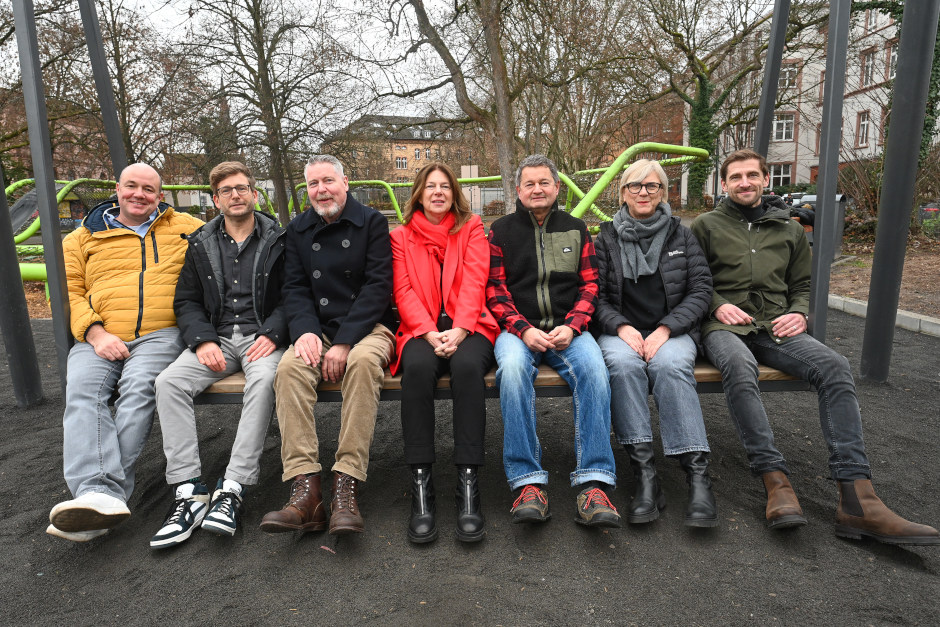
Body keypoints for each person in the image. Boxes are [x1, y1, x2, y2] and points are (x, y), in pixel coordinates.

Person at [691, 149, 939, 545]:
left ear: (765, 180)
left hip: (775, 325)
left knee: (834, 366)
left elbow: (802, 285)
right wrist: (718, 305)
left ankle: (857, 497)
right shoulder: (705, 226)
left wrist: (798, 312)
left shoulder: (789, 230)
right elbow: (694, 282)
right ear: (724, 184)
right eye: (735, 177)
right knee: (739, 366)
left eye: (752, 175)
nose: (744, 182)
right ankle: (775, 481)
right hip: (723, 327)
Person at [47, 163, 203, 542]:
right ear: (117, 190)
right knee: (83, 391)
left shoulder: (186, 228)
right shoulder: (82, 238)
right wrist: (95, 333)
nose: (139, 195)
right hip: (98, 333)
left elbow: (236, 233)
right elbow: (67, 292)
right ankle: (100, 495)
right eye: (131, 186)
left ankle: (100, 496)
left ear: (160, 196)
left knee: (139, 388)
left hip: (161, 333)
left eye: (148, 189)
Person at [149, 161, 287, 548]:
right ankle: (189, 490)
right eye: (226, 191)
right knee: (168, 382)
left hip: (263, 338)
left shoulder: (279, 239)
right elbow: (187, 301)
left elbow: (293, 295)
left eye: (242, 188)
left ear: (255, 194)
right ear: (216, 200)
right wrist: (203, 340)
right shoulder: (200, 243)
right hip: (218, 340)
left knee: (265, 380)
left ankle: (233, 487)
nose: (235, 195)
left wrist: (274, 333)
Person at [259, 155, 395, 536]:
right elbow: (295, 287)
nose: (321, 190)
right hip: (317, 326)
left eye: (328, 181)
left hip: (368, 326)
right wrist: (304, 331)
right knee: (289, 369)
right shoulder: (298, 229)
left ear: (345, 182)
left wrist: (345, 341)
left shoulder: (372, 222)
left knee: (364, 365)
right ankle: (307, 490)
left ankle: (346, 482)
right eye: (313, 184)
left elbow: (377, 287)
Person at [486, 154, 621, 528]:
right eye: (529, 183)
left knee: (595, 371)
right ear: (518, 190)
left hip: (568, 330)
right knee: (512, 370)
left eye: (544, 182)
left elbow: (590, 285)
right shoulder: (500, 231)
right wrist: (523, 329)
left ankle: (594, 483)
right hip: (518, 331)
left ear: (557, 187)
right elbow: (495, 289)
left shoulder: (576, 229)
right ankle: (527, 483)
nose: (537, 189)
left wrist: (573, 326)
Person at [593, 159, 717, 528]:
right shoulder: (606, 238)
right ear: (623, 192)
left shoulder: (682, 235)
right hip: (622, 331)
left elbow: (701, 290)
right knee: (622, 365)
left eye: (652, 186)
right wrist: (620, 326)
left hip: (672, 330)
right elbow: (594, 295)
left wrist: (666, 328)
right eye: (635, 185)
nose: (643, 192)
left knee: (671, 365)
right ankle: (645, 475)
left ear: (663, 192)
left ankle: (698, 477)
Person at [390, 163, 498, 544]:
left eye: (445, 187)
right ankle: (422, 484)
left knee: (467, 369)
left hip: (470, 326)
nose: (438, 192)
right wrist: (428, 331)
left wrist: (462, 328)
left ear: (454, 194)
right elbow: (403, 290)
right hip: (422, 329)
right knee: (418, 370)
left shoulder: (471, 228)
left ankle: (468, 482)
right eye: (430, 186)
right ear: (418, 194)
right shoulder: (401, 236)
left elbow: (475, 280)